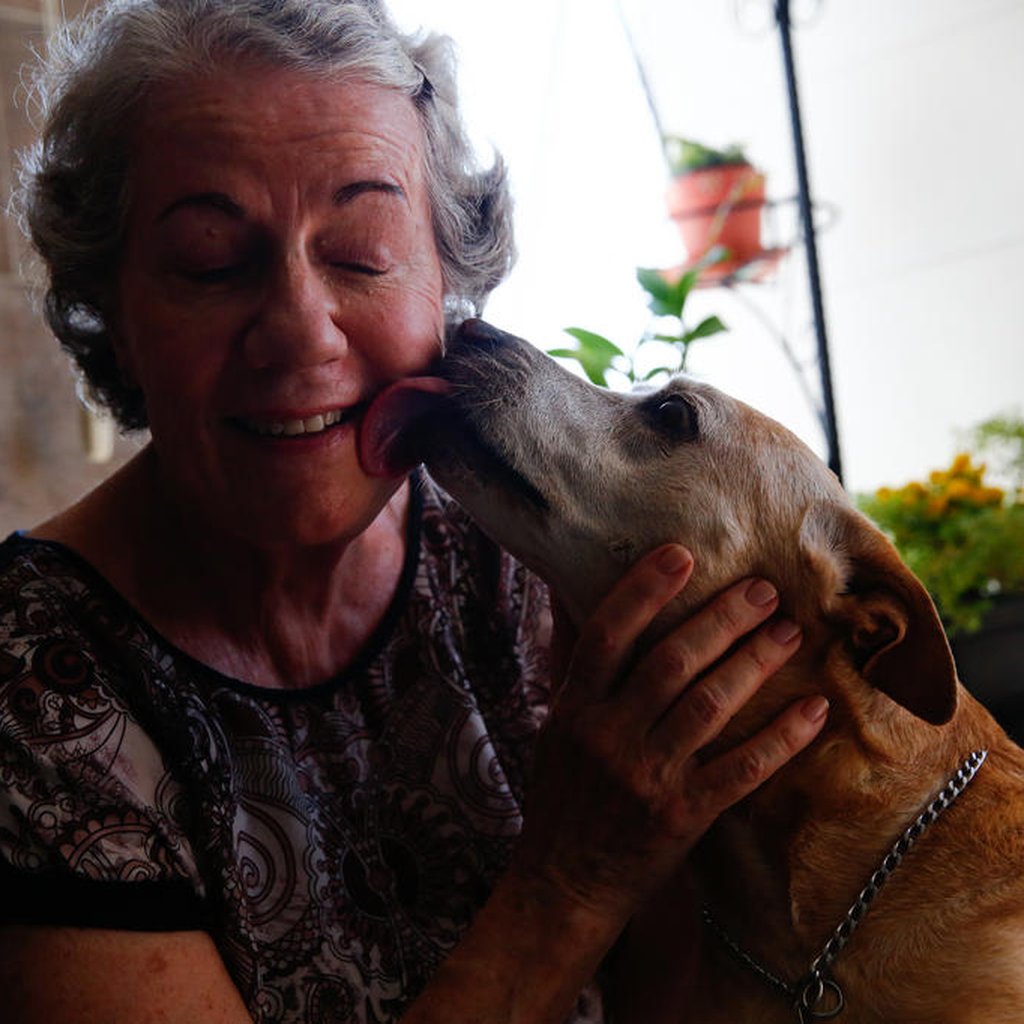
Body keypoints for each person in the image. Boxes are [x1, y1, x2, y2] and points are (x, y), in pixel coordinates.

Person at [0, 1, 828, 1021]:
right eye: (212, 261)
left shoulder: (524, 543)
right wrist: (573, 881)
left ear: (450, 278)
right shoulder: (32, 690)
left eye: (360, 250)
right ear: (112, 311)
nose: (301, 334)